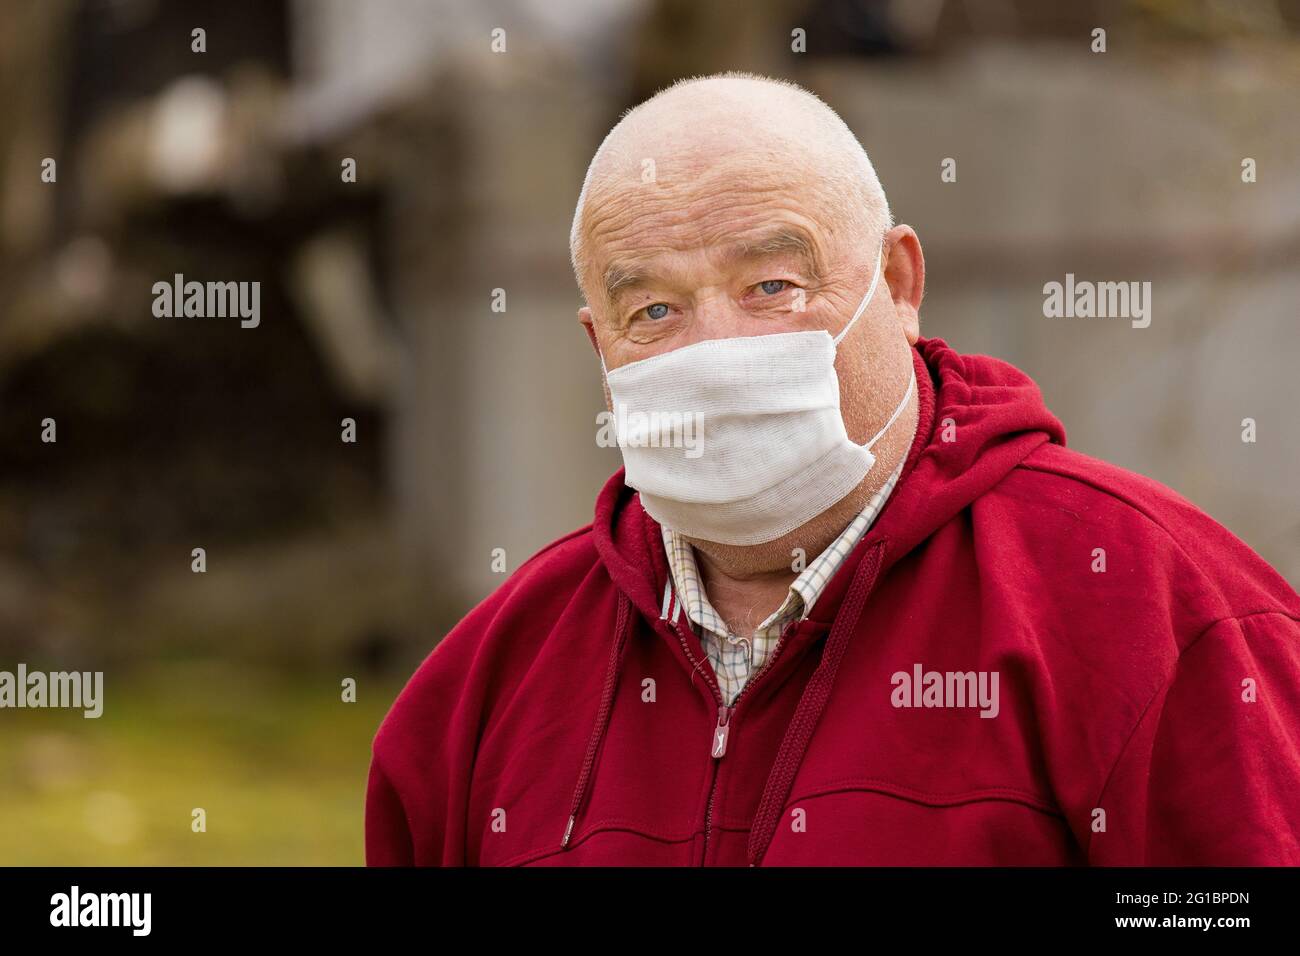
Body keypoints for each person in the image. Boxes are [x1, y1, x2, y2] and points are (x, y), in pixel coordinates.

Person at [366, 72, 1300, 866]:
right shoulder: (485, 688)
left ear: (898, 286)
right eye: (652, 311)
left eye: (772, 286)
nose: (716, 348)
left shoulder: (1150, 610)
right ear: (596, 343)